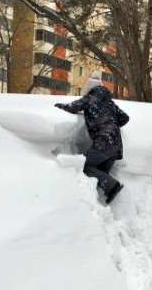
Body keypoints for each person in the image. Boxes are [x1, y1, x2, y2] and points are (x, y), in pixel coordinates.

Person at [55, 71, 129, 203]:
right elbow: (124, 118)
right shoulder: (110, 102)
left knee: (84, 165)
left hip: (104, 143)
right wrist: (112, 124)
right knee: (99, 175)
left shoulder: (90, 98)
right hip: (116, 145)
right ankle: (101, 203)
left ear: (89, 88)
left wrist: (57, 106)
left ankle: (113, 186)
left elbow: (72, 107)